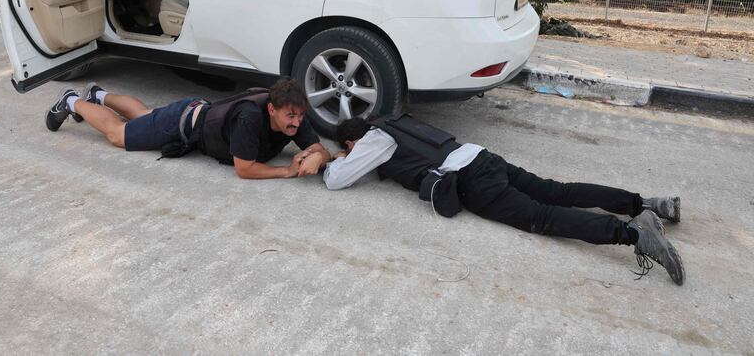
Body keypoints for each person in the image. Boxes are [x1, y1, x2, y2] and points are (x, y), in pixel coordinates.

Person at [325, 114, 685, 285]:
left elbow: (338, 181)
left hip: (473, 181)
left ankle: (637, 236)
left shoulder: (370, 141)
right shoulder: (394, 121)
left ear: (352, 142)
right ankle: (649, 204)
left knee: (542, 217)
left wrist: (336, 160)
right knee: (557, 191)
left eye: (350, 149)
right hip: (482, 156)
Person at [44, 77, 331, 179]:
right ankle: (71, 102)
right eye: (290, 116)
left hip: (195, 111)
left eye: (300, 117)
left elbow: (320, 148)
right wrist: (287, 171)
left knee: (144, 115)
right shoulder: (250, 118)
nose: (296, 122)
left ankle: (98, 96)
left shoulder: (295, 118)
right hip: (181, 125)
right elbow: (245, 169)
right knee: (119, 135)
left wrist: (319, 155)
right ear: (272, 109)